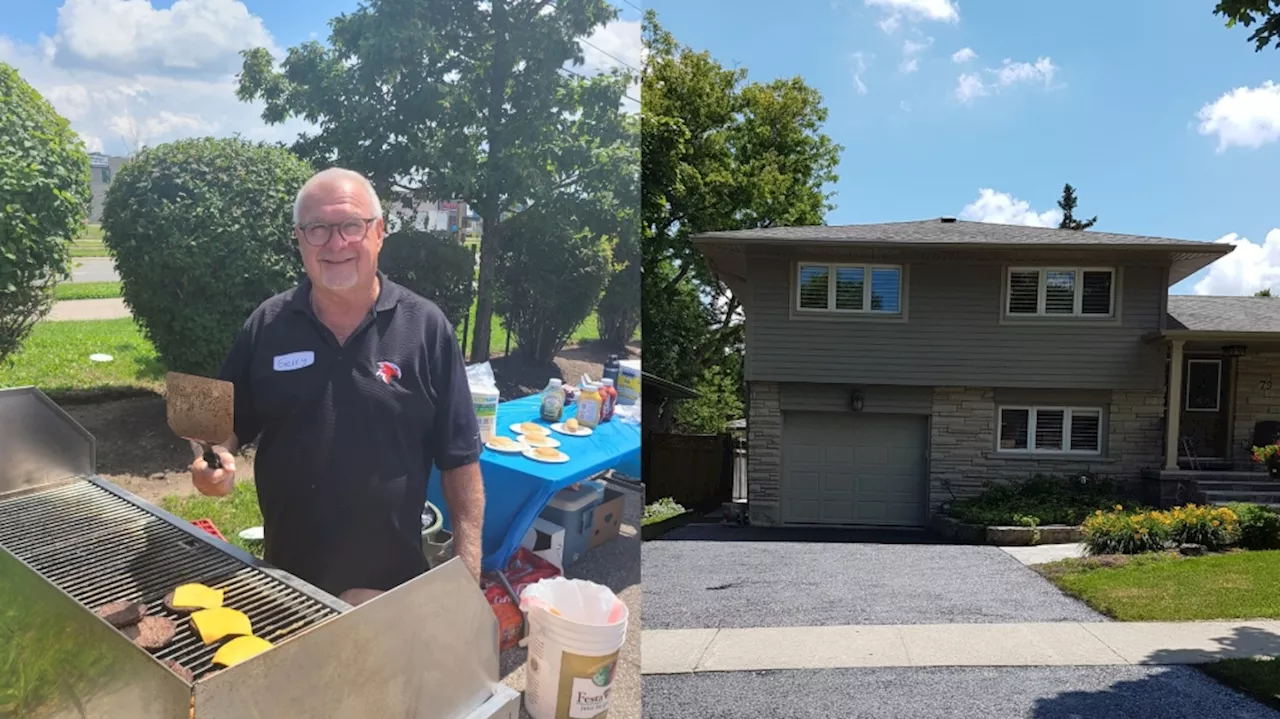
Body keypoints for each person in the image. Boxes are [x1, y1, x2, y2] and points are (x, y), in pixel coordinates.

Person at [188, 167, 485, 607]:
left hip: (391, 588)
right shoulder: (266, 323)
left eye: (351, 226)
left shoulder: (426, 328)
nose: (335, 243)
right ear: (299, 238)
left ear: (379, 232)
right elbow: (217, 426)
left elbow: (460, 461)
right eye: (317, 229)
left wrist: (466, 577)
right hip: (286, 581)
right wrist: (210, 463)